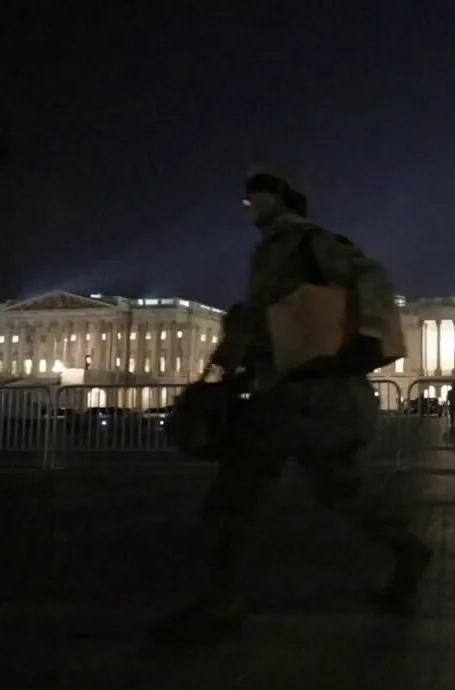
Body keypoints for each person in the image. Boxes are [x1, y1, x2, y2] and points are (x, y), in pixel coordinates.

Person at [151, 167, 431, 642]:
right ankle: (403, 548)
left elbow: (372, 276)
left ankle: (226, 599)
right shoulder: (274, 251)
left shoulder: (309, 243)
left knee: (308, 492)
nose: (248, 205)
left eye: (256, 195)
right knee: (246, 495)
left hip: (309, 395)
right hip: (278, 392)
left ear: (282, 197)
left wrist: (368, 337)